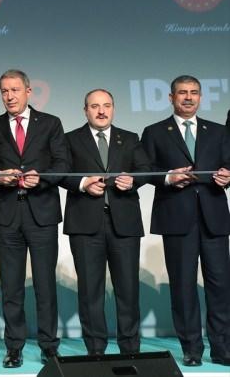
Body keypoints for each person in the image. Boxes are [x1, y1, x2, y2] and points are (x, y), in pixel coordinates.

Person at [0, 69, 69, 368]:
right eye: (4, 91)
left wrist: (41, 177)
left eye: (15, 90)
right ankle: (14, 347)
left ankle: (49, 346)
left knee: (45, 285)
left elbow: (62, 164)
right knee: (11, 286)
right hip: (8, 216)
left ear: (28, 91)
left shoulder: (51, 123)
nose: (9, 96)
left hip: (41, 213)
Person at [141, 75, 230, 367]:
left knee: (220, 285)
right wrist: (168, 177)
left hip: (214, 218)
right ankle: (192, 349)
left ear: (201, 97)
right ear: (171, 98)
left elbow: (228, 164)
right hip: (177, 218)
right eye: (182, 93)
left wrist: (228, 176)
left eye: (193, 92)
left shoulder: (218, 131)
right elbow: (145, 170)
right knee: (183, 286)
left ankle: (223, 348)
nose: (188, 97)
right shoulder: (154, 132)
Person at [61, 89, 150, 356]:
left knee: (128, 290)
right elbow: (59, 173)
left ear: (113, 108)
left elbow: (145, 169)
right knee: (90, 291)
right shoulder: (70, 139)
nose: (101, 111)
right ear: (85, 110)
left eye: (107, 105)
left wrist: (133, 180)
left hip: (124, 223)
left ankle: (130, 349)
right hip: (85, 224)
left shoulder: (130, 138)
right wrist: (82, 184)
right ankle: (96, 350)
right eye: (95, 106)